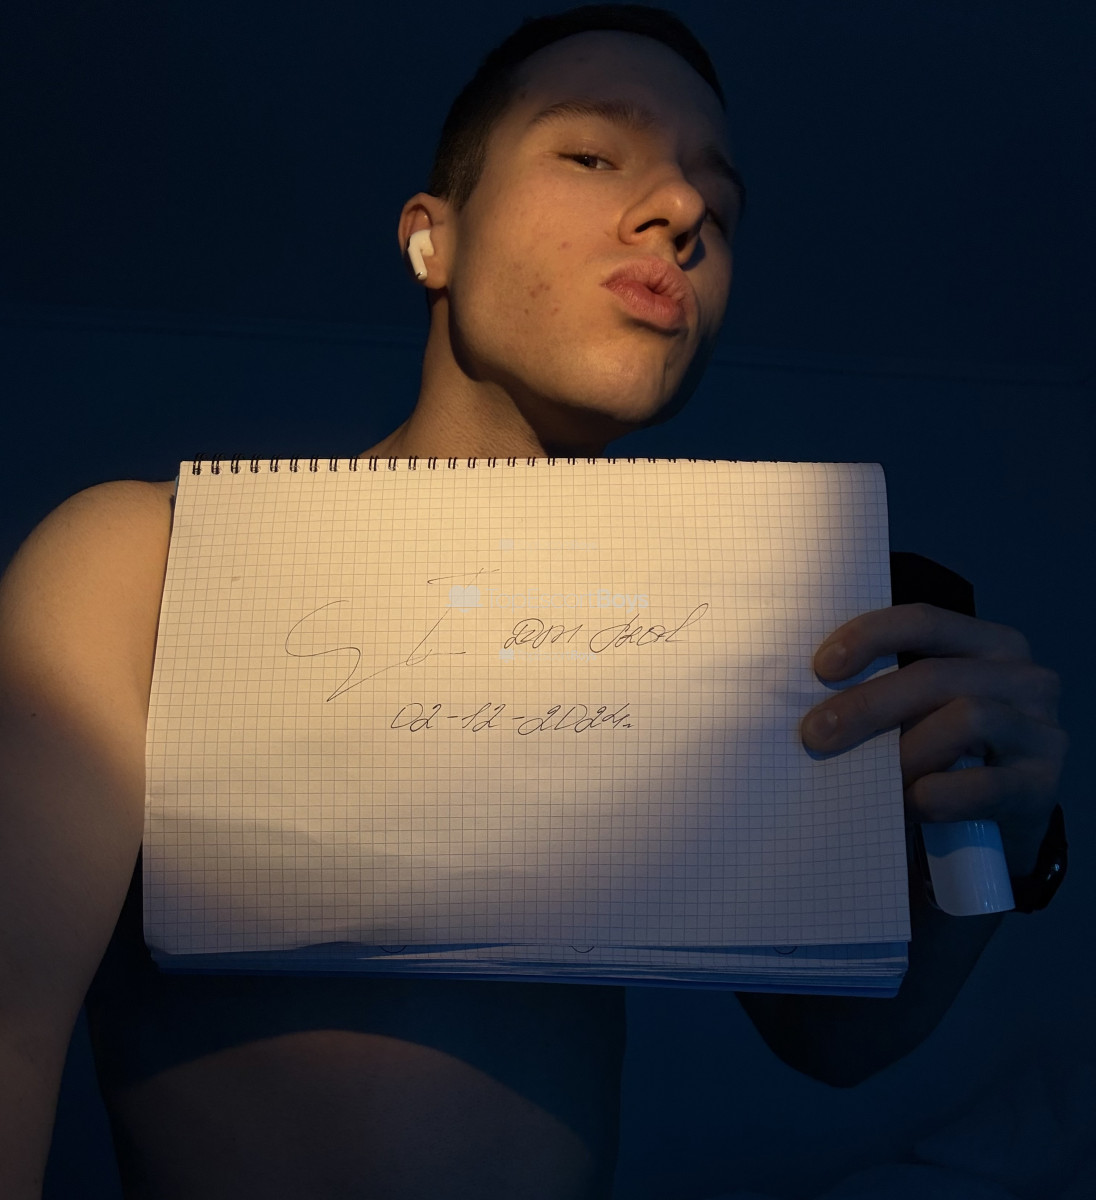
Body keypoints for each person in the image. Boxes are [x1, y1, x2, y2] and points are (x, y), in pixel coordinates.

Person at [0, 5, 1069, 1199]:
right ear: (432, 239)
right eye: (593, 154)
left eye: (719, 205)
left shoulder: (728, 631)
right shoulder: (148, 558)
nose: (682, 208)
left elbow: (829, 1037)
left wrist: (999, 836)